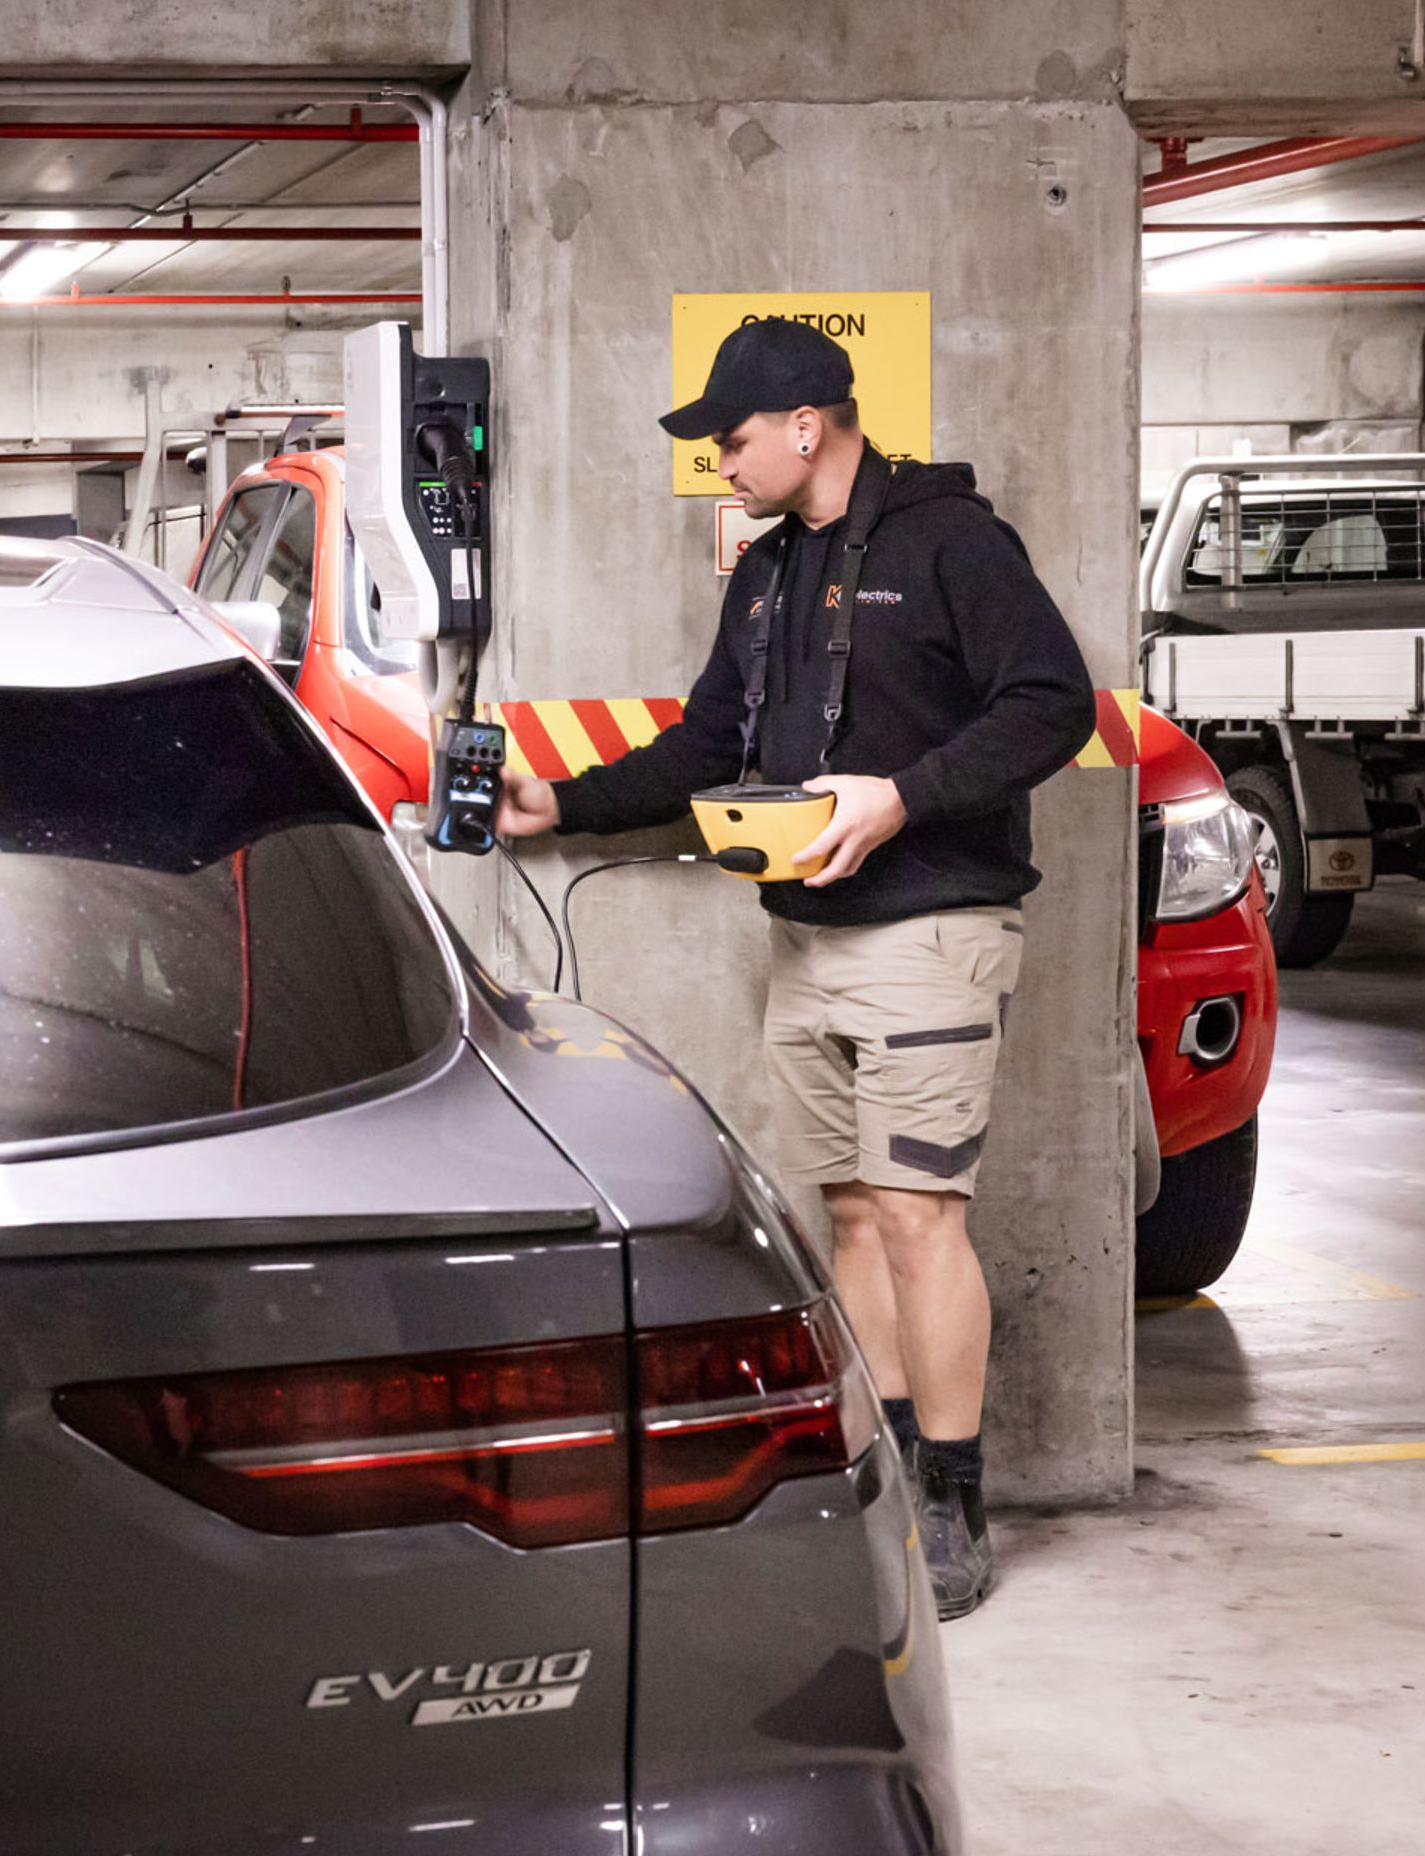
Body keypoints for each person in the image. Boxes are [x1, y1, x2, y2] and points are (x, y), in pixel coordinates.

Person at [498, 319, 1096, 1619]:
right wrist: (566, 802)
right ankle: (877, 1469)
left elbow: (1055, 702)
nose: (721, 461)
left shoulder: (953, 546)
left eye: (733, 438)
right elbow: (707, 740)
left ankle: (953, 1496)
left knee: (923, 1216)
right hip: (807, 944)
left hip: (930, 934)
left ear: (809, 424)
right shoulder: (767, 579)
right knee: (851, 1217)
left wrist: (903, 795)